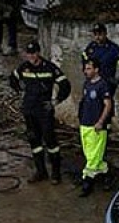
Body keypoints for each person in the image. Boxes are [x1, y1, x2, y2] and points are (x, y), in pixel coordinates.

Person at [8, 41, 71, 184]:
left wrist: (56, 101)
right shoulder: (24, 68)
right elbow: (12, 79)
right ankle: (40, 171)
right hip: (29, 110)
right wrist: (19, 91)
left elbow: (65, 85)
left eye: (33, 53)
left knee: (50, 141)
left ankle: (56, 173)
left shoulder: (49, 68)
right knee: (34, 141)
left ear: (38, 53)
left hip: (44, 111)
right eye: (28, 53)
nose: (31, 56)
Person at [77, 58, 113, 197]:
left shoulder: (103, 85)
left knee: (92, 157)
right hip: (85, 123)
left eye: (89, 68)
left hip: (96, 126)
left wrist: (100, 122)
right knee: (91, 154)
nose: (86, 71)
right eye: (86, 69)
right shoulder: (86, 84)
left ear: (96, 69)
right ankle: (106, 173)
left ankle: (87, 181)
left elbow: (108, 105)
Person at [81, 23, 119, 96]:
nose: (97, 37)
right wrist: (86, 71)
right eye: (95, 34)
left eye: (100, 34)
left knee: (106, 106)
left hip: (106, 86)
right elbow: (84, 57)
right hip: (91, 84)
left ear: (105, 33)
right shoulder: (91, 47)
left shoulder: (114, 49)